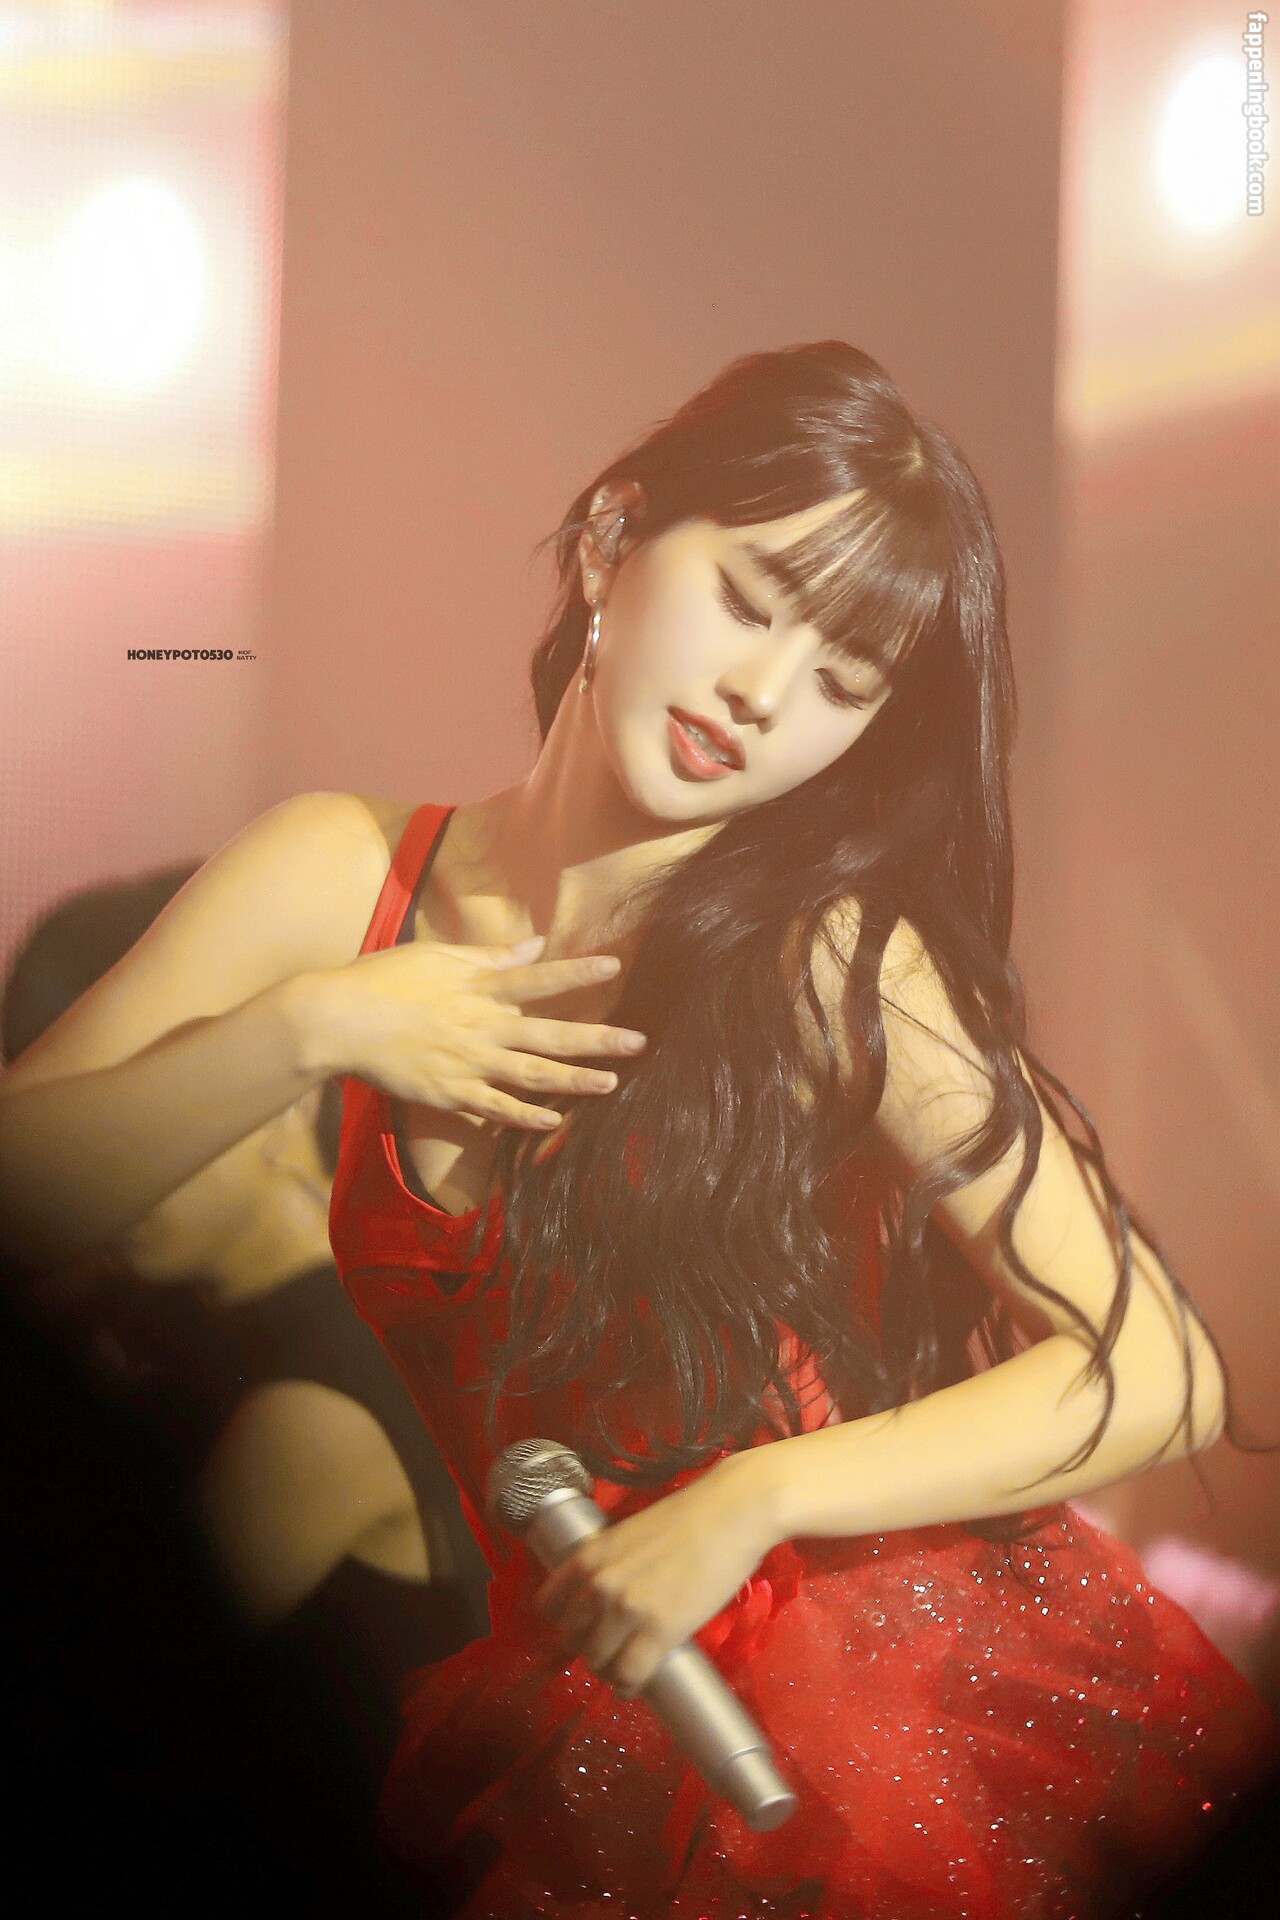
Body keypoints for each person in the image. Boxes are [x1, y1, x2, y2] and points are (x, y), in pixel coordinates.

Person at [0, 340, 1274, 1919]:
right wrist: (309, 1028)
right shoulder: (343, 873)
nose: (763, 696)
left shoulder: (827, 954)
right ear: (613, 538)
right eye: (748, 599)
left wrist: (753, 1500)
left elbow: (1157, 1367)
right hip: (602, 1715)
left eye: (845, 683)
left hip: (893, 1712)